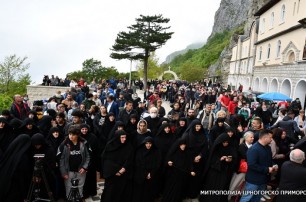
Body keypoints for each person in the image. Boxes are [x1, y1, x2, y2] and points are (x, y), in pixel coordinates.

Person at [240, 129, 276, 202]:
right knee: (246, 198)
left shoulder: (268, 148)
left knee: (257, 198)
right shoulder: (254, 149)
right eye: (270, 137)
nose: (272, 140)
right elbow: (251, 165)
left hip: (263, 180)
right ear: (265, 138)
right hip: (253, 180)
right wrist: (267, 169)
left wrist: (274, 165)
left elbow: (269, 160)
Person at [200, 133, 237, 202]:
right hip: (214, 172)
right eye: (224, 142)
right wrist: (220, 159)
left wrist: (229, 160)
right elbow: (212, 160)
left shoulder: (231, 148)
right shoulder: (216, 148)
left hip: (224, 172)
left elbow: (234, 159)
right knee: (211, 187)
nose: (225, 144)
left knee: (221, 188)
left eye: (227, 142)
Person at [57, 125, 90, 199]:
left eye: (73, 134)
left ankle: (79, 199)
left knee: (80, 187)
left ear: (78, 135)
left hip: (81, 170)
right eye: (70, 134)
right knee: (68, 188)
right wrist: (63, 172)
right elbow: (61, 160)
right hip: (69, 171)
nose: (71, 136)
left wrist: (85, 167)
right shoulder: (64, 144)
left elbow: (88, 156)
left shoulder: (84, 143)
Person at [100, 130, 134, 202]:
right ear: (117, 138)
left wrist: (123, 169)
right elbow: (107, 161)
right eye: (122, 137)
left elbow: (130, 159)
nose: (124, 139)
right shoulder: (110, 146)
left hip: (124, 174)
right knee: (110, 192)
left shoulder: (128, 146)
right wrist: (116, 170)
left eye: (125, 137)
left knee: (122, 192)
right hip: (112, 174)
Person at [0, 134, 32, 202]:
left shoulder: (11, 154)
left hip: (5, 187)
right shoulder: (23, 157)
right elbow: (23, 176)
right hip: (16, 190)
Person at [132, 137, 161, 202]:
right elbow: (138, 164)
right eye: (147, 143)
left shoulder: (156, 152)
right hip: (140, 176)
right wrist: (145, 173)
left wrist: (151, 173)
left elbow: (157, 164)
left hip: (152, 176)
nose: (148, 145)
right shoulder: (139, 151)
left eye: (150, 143)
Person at [228, 131, 254, 201]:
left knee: (243, 185)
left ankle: (238, 197)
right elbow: (246, 156)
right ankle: (229, 197)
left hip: (249, 169)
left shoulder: (253, 146)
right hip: (241, 169)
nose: (252, 138)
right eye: (251, 137)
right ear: (246, 138)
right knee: (236, 183)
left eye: (253, 137)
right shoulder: (242, 146)